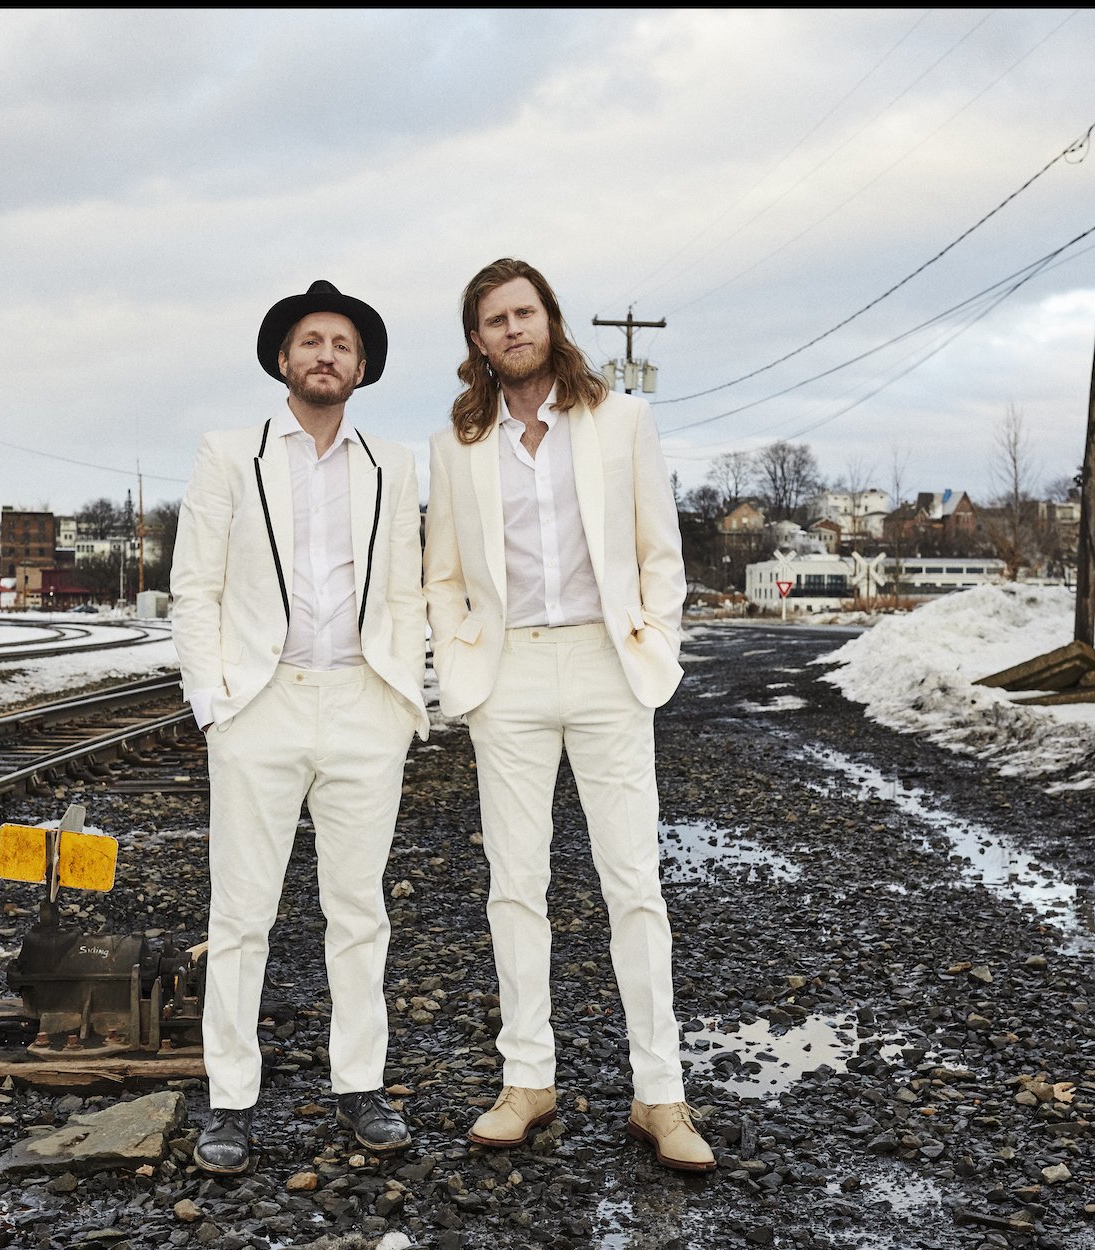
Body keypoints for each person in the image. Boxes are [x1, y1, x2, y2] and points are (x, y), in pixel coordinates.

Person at [423, 258, 714, 1173]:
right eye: (493, 319)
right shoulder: (456, 444)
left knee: (633, 882)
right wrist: (458, 647)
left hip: (603, 663)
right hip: (506, 673)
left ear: (549, 320)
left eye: (525, 312)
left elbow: (659, 550)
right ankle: (528, 1081)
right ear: (477, 340)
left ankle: (660, 1097)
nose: (512, 329)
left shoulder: (621, 419)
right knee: (516, 883)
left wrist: (653, 642)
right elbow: (441, 574)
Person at [170, 280, 428, 1175]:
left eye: (343, 345)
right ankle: (230, 1100)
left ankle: (361, 1084)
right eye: (311, 341)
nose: (326, 355)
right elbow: (194, 586)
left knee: (358, 909)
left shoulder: (393, 463)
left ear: (362, 368)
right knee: (242, 912)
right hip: (260, 704)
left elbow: (405, 587)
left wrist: (402, 698)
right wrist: (214, 701)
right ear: (284, 359)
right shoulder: (227, 453)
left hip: (363, 702)